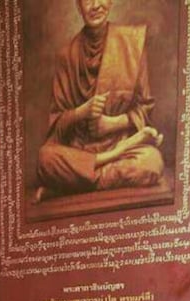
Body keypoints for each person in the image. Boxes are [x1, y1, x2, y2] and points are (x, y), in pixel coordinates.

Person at [35, 0, 165, 202]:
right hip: (80, 150)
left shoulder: (132, 42)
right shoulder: (66, 56)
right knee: (45, 158)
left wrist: (112, 124)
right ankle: (100, 166)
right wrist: (81, 112)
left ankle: (68, 186)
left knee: (152, 161)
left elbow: (145, 107)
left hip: (120, 145)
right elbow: (56, 129)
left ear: (111, 1)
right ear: (78, 6)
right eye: (87, 0)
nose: (95, 5)